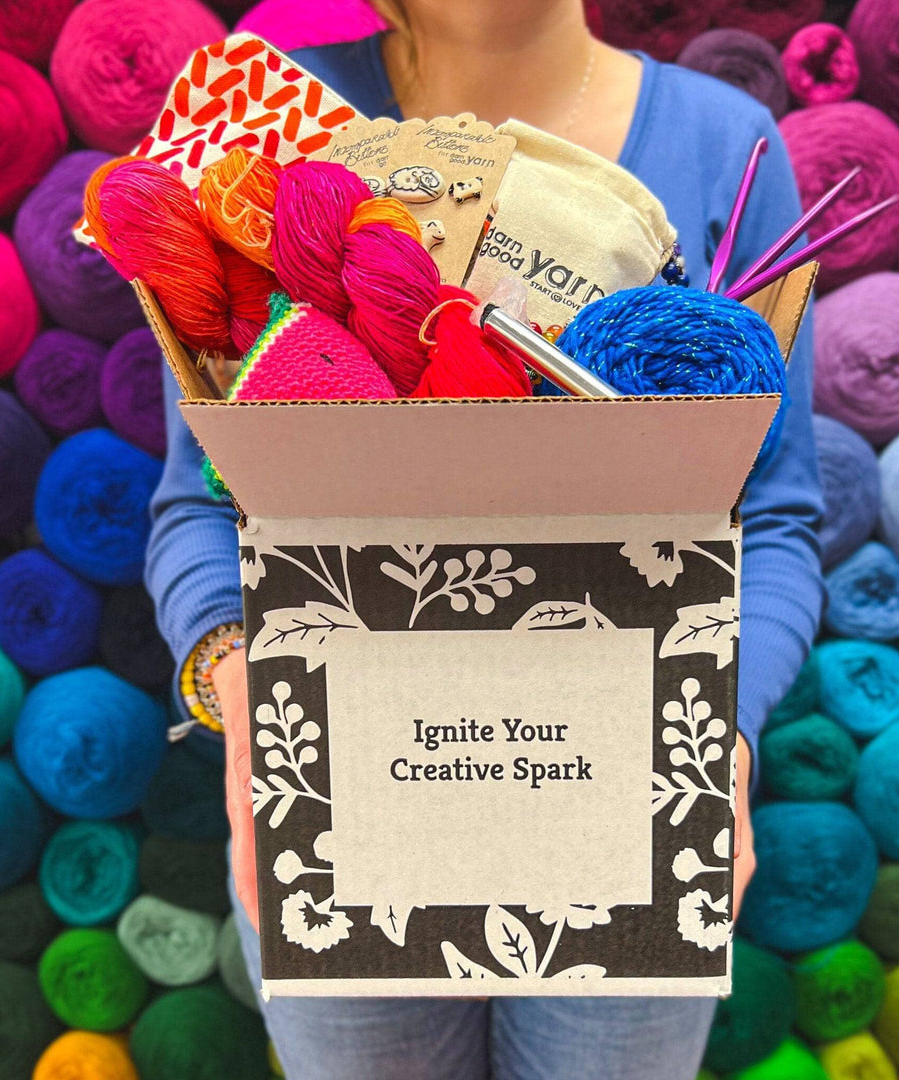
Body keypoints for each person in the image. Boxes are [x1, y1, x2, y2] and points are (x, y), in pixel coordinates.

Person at [146, 2, 824, 1077]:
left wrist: (718, 733)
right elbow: (201, 499)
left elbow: (775, 515)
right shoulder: (269, 133)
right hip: (344, 798)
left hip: (633, 801)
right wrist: (240, 683)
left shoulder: (722, 139)